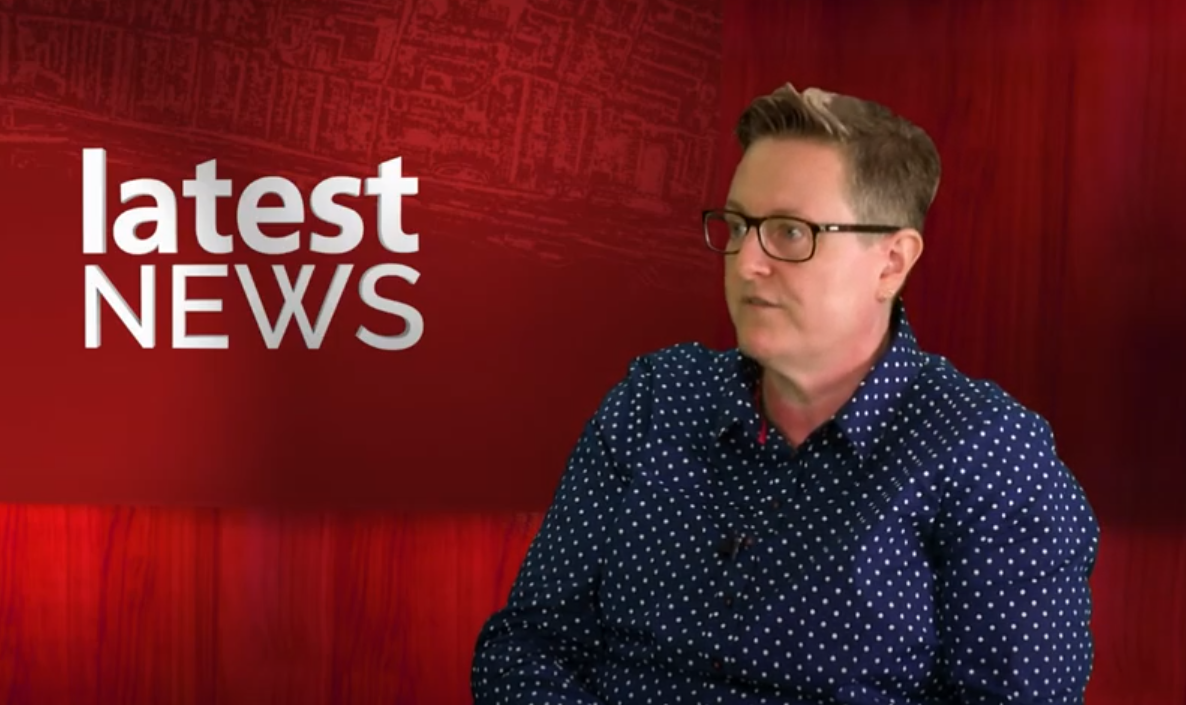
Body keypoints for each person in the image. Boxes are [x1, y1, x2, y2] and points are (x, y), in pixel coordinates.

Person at [470, 83, 1099, 705]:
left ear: (891, 262)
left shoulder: (989, 451)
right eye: (737, 226)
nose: (746, 263)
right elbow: (527, 646)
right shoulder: (656, 399)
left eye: (791, 232)